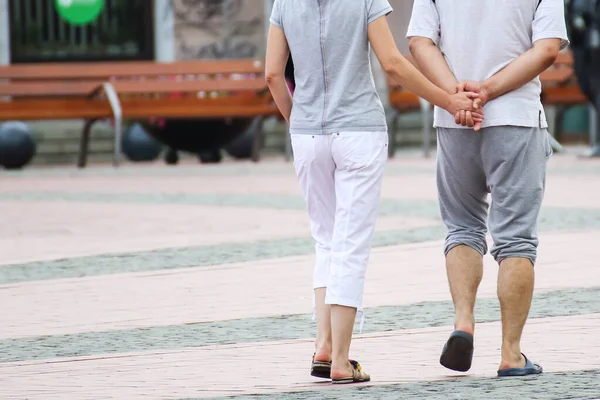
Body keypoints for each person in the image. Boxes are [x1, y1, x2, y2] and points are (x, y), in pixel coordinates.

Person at [265, 0, 480, 384]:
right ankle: (341, 361)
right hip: (359, 132)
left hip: (309, 135)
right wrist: (448, 101)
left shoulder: (284, 2)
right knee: (350, 244)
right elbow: (393, 64)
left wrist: (298, 122)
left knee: (327, 241)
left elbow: (271, 75)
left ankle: (323, 345)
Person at [407, 0, 569, 377]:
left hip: (453, 120)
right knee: (516, 240)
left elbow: (419, 42)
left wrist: (456, 96)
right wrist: (488, 91)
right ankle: (511, 354)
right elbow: (546, 48)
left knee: (462, 227)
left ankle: (463, 321)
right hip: (516, 118)